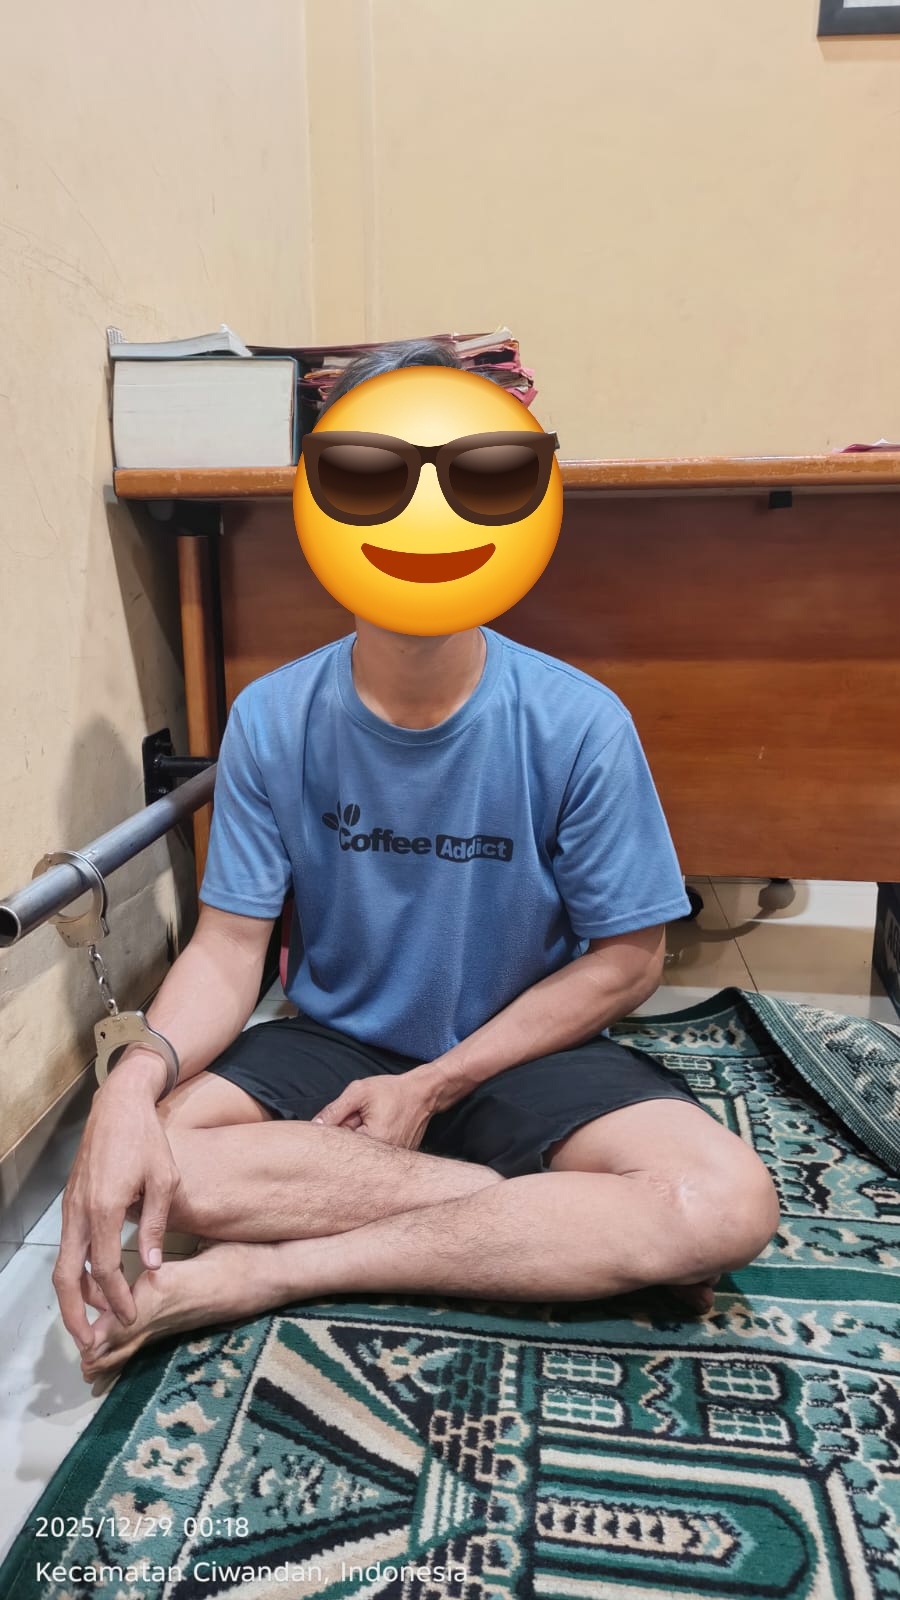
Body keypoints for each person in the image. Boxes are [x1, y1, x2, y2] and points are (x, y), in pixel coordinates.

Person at [55, 340, 779, 1378]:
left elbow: (628, 963)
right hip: (331, 1044)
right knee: (157, 1167)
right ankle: (548, 1223)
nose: (422, 514)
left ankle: (277, 1272)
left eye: (479, 479)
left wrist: (437, 1084)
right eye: (369, 477)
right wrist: (129, 1087)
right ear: (323, 505)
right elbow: (228, 949)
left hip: (520, 1051)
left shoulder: (580, 721)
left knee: (728, 1203)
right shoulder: (270, 716)